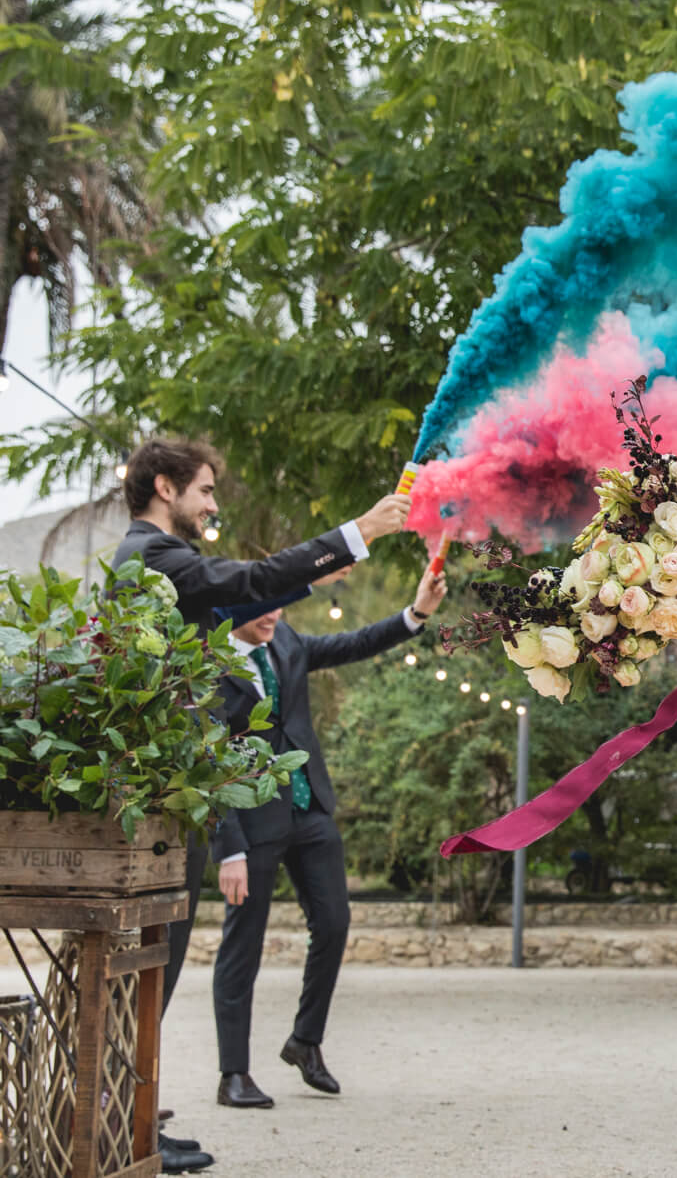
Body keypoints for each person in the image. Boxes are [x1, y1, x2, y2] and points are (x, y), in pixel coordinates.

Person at [109, 438, 411, 1171]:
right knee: (153, 970)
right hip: (171, 802)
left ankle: (134, 1118)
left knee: (157, 969)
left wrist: (320, 574)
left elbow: (248, 593)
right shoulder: (149, 554)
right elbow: (245, 581)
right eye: (205, 490)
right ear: (163, 484)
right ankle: (125, 1124)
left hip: (175, 805)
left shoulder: (153, 557)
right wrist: (359, 531)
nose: (213, 505)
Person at [206, 565, 445, 1109]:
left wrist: (417, 614)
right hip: (252, 821)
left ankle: (305, 1041)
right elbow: (206, 760)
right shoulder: (209, 666)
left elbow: (352, 643)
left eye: (278, 606)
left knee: (334, 923)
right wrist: (231, 848)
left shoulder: (285, 640)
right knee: (242, 946)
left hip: (310, 809)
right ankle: (233, 1074)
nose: (272, 616)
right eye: (261, 608)